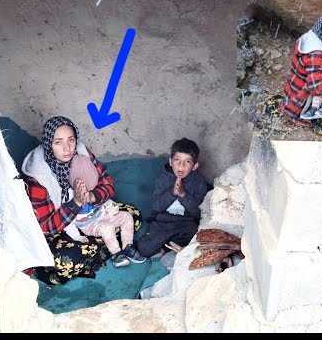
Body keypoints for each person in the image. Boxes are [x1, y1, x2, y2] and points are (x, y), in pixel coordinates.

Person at [21, 116, 142, 285]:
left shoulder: (82, 153)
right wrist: (75, 203)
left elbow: (107, 183)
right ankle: (107, 247)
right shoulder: (38, 176)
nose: (67, 148)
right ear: (49, 144)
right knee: (65, 262)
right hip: (62, 229)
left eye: (71, 140)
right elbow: (45, 227)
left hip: (93, 215)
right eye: (58, 142)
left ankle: (108, 247)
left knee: (133, 215)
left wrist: (92, 197)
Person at [67, 154, 146, 268]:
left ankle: (128, 247)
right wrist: (77, 237)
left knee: (127, 216)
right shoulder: (69, 198)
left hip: (102, 214)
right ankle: (116, 254)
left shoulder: (93, 185)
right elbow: (67, 222)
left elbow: (102, 199)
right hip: (88, 225)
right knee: (107, 228)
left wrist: (110, 206)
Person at [136, 138, 210, 258]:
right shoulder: (163, 178)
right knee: (144, 249)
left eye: (187, 162)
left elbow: (199, 212)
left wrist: (182, 195)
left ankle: (165, 249)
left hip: (185, 222)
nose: (181, 165)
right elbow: (156, 206)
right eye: (177, 160)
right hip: (163, 221)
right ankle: (168, 246)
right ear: (170, 162)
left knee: (195, 235)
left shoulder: (198, 182)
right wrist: (172, 193)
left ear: (195, 166)